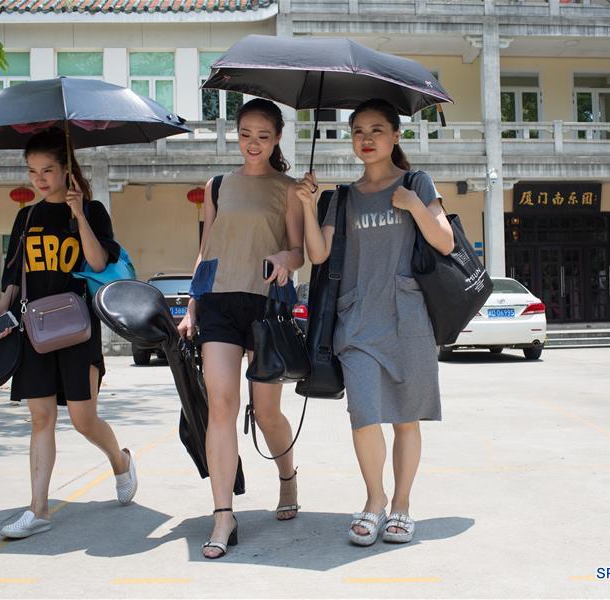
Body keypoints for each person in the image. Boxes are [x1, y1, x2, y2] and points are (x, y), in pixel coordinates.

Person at [296, 98, 454, 546]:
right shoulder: (343, 197)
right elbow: (319, 255)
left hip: (408, 318)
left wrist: (414, 206)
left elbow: (445, 242)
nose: (366, 139)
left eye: (376, 130)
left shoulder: (416, 183)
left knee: (405, 418)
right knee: (364, 415)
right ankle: (374, 499)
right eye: (358, 131)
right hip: (357, 320)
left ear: (396, 135)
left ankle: (401, 506)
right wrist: (308, 205)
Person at [0, 128, 137, 539]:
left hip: (77, 329)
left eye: (47, 170)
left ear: (67, 169)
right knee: (41, 418)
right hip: (34, 330)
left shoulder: (93, 211)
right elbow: (14, 277)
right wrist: (0, 310)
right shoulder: (27, 217)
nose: (39, 179)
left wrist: (79, 214)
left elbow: (98, 262)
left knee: (84, 420)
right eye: (32, 171)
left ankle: (120, 461)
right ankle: (38, 510)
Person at [177, 98, 304, 559]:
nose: (253, 143)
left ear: (277, 139)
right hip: (217, 303)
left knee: (267, 413)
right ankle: (223, 515)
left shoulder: (289, 189)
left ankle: (287, 478)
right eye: (246, 134)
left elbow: (299, 252)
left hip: (266, 303)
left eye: (263, 136)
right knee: (221, 406)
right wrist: (192, 304)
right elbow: (206, 250)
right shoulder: (217, 186)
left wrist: (285, 258)